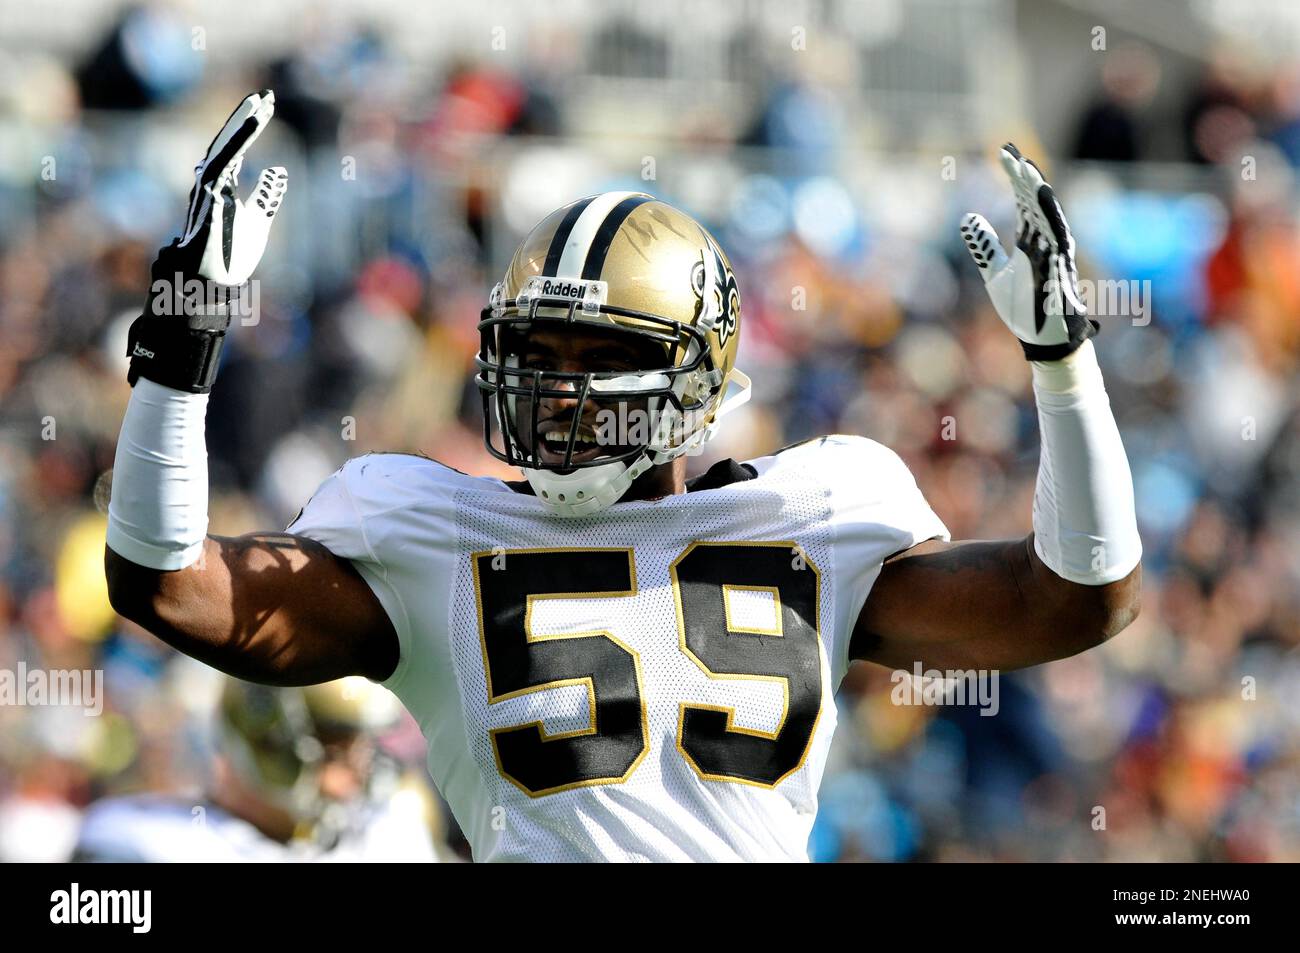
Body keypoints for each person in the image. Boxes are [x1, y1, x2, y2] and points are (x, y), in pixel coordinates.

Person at [104, 91, 1142, 861]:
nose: (557, 394)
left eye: (596, 360)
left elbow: (1078, 596)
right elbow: (170, 583)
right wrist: (179, 354)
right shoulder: (430, 534)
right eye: (537, 357)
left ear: (698, 375)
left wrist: (1064, 369)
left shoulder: (812, 513)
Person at [74, 676, 439, 862]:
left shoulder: (389, 833)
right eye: (333, 754)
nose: (351, 783)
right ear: (267, 741)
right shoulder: (144, 842)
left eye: (361, 753)